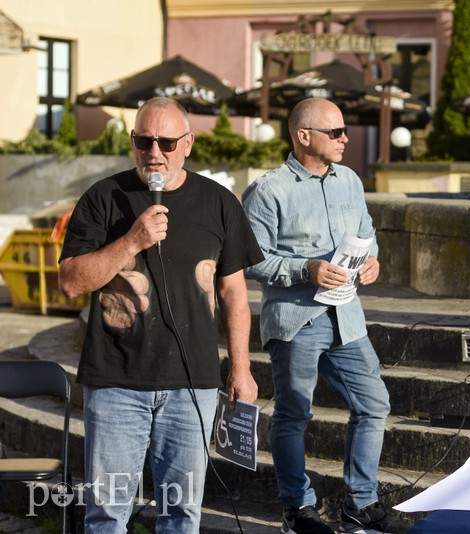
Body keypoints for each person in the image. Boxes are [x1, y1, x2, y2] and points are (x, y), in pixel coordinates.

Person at [58, 96, 263, 533]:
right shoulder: (103, 199)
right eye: (144, 140)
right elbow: (72, 281)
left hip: (193, 385)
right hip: (116, 382)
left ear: (188, 144)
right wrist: (132, 241)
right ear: (132, 141)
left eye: (166, 143)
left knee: (182, 514)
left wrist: (241, 368)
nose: (155, 153)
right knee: (107, 512)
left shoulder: (219, 203)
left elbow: (234, 293)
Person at [242, 98, 410, 534]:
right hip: (297, 320)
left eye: (344, 131)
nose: (345, 139)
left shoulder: (350, 180)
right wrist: (306, 268)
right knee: (294, 414)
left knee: (374, 404)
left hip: (347, 317)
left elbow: (367, 234)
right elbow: (249, 260)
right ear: (303, 136)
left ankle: (361, 503)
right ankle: (297, 509)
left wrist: (372, 259)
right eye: (334, 132)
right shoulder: (268, 190)